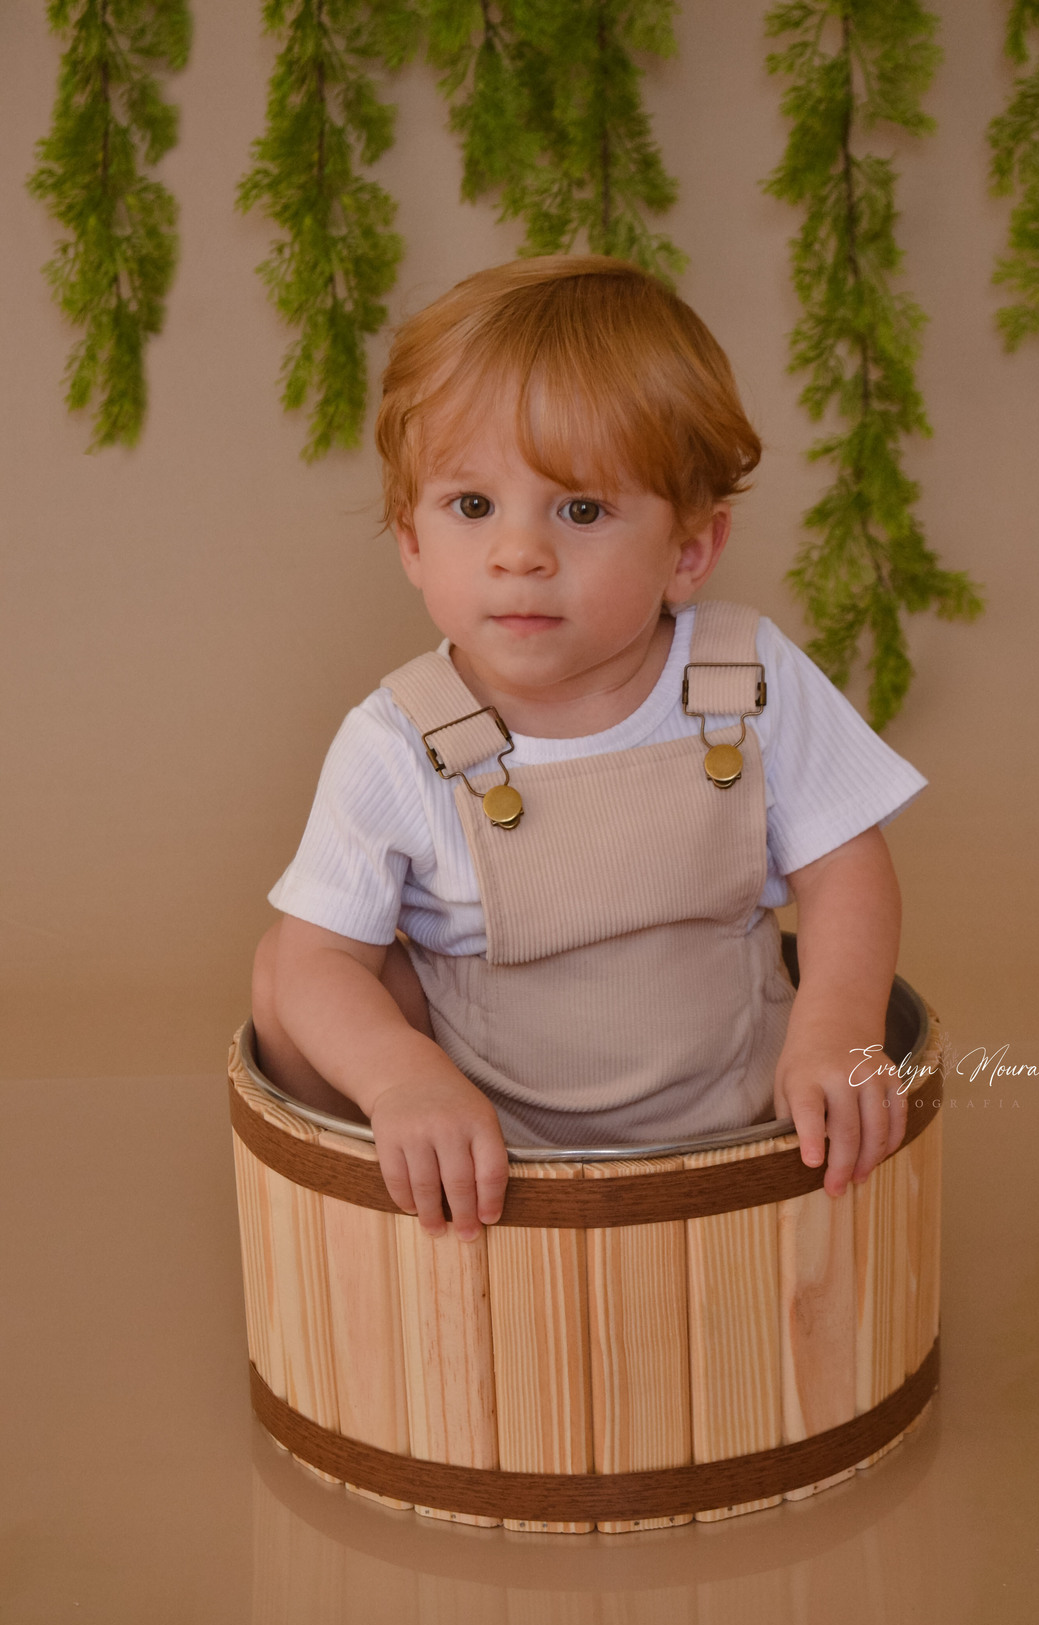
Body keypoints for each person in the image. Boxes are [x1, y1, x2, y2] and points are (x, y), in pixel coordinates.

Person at [252, 255, 926, 1244]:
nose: (518, 553)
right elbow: (320, 961)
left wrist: (838, 1034)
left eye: (581, 510)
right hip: (485, 1148)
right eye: (471, 507)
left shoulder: (742, 676)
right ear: (410, 541)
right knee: (287, 966)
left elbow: (845, 870)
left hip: (745, 1109)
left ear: (688, 553)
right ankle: (390, 1205)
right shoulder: (399, 738)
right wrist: (404, 1082)